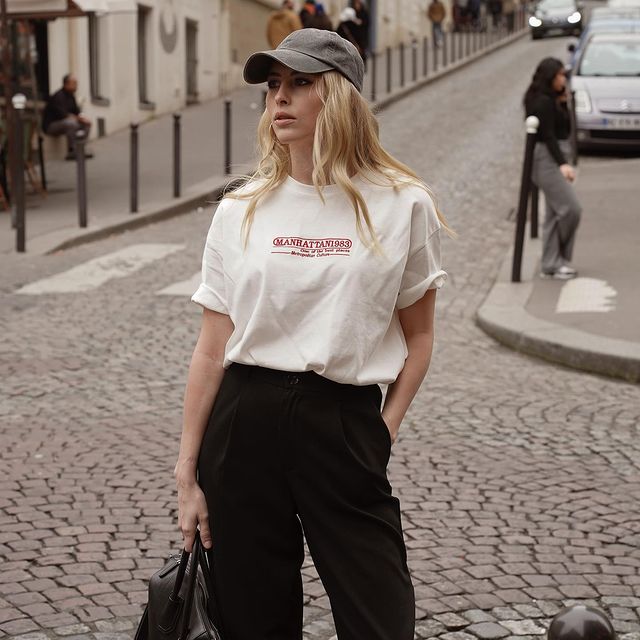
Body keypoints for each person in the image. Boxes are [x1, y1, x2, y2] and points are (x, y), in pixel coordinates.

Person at [175, 28, 449, 640]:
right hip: (244, 420)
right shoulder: (239, 208)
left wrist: (383, 429)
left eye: (301, 84)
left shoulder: (403, 205)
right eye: (273, 86)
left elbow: (420, 338)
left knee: (381, 616)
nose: (280, 99)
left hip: (343, 420)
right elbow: (212, 348)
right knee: (252, 617)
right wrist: (188, 469)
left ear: (341, 97)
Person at [524, 57, 581, 279]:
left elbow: (563, 129)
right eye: (559, 75)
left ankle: (552, 264)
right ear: (549, 77)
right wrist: (563, 164)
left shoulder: (552, 98)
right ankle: (557, 261)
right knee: (570, 209)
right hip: (546, 159)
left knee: (554, 213)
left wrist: (564, 102)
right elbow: (548, 136)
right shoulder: (542, 102)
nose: (563, 78)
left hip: (551, 156)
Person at [42, 74, 92, 160]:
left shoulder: (71, 96)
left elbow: (77, 112)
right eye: (74, 83)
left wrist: (83, 119)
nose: (76, 85)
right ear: (67, 84)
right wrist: (78, 118)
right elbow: (63, 114)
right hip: (51, 126)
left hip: (64, 123)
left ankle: (80, 149)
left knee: (86, 124)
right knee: (71, 123)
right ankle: (72, 151)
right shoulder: (58, 96)